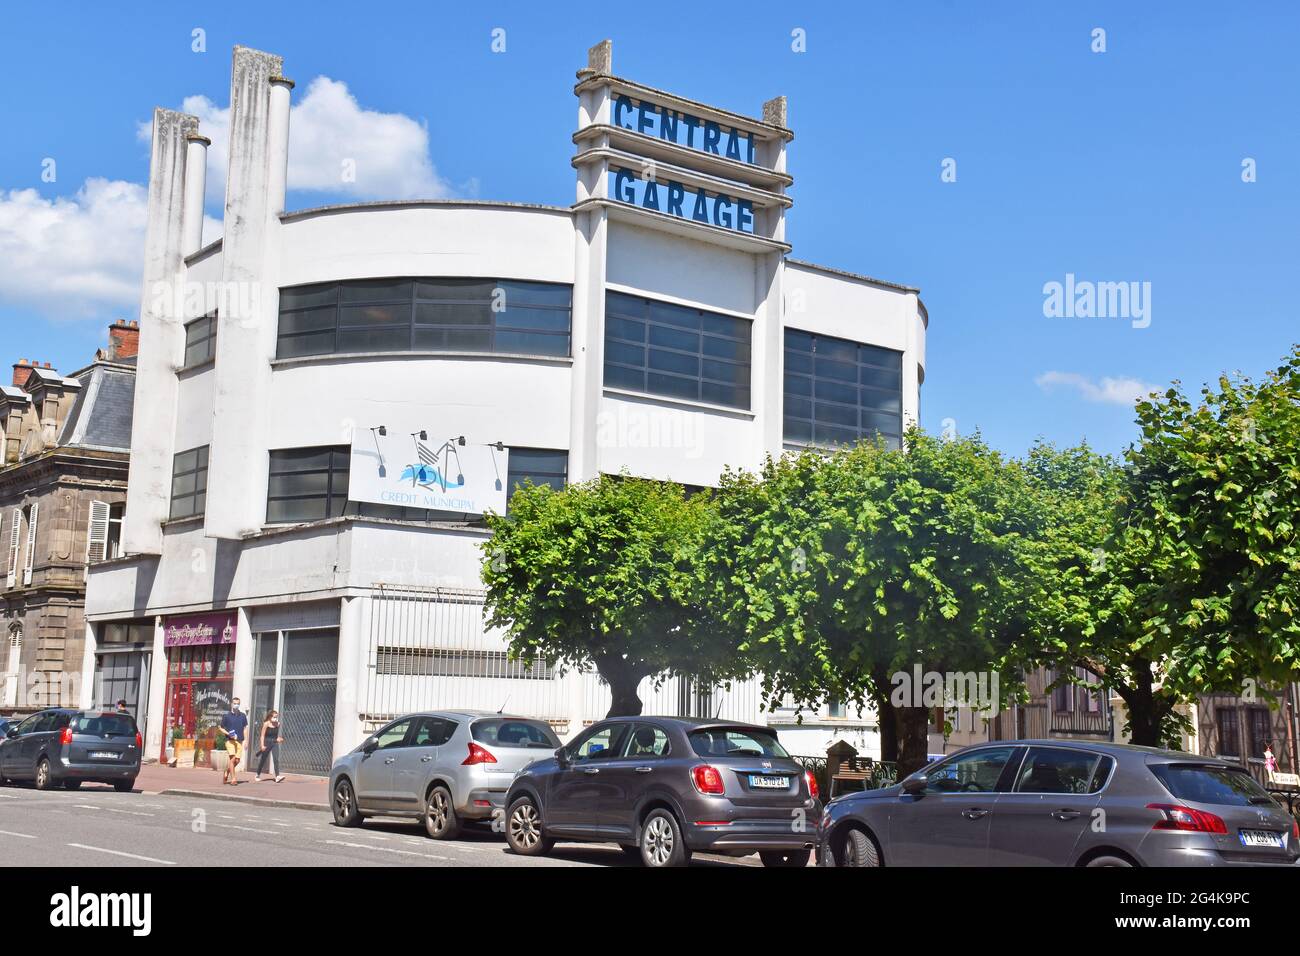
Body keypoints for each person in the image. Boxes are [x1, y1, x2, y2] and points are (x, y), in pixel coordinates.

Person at [219, 698, 249, 785]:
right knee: (232, 759)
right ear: (231, 704)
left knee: (237, 761)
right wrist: (228, 733)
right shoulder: (227, 716)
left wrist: (246, 740)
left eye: (238, 704)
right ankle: (233, 779)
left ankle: (227, 771)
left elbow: (245, 728)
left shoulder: (242, 716)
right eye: (235, 703)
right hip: (230, 741)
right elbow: (221, 727)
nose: (236, 705)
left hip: (239, 740)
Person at [255, 710, 286, 783]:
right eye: (274, 717)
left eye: (276, 717)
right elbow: (262, 736)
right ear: (270, 717)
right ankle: (257, 774)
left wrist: (278, 739)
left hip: (274, 743)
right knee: (263, 759)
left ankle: (277, 776)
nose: (276, 718)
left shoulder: (278, 724)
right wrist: (262, 745)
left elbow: (275, 736)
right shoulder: (266, 724)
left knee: (276, 758)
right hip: (266, 742)